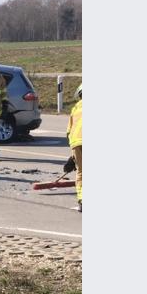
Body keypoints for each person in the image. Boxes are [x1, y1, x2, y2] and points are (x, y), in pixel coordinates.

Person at [64, 83, 82, 212]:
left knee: (82, 172)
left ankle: (82, 200)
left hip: (76, 143)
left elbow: (69, 131)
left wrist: (73, 156)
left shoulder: (76, 107)